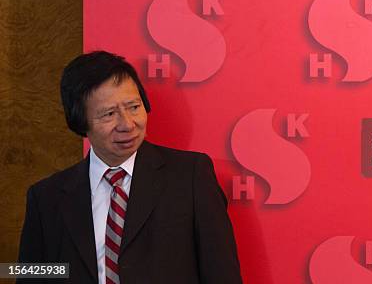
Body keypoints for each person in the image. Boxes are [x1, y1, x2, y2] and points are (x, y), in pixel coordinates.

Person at [17, 51, 243, 283]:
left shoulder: (191, 176)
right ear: (79, 121)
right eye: (109, 114)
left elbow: (222, 274)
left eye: (134, 107)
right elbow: (31, 274)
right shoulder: (46, 198)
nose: (127, 124)